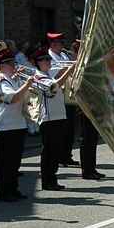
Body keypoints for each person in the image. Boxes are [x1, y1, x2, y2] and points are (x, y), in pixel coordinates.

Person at [0, 48, 32, 201]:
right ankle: (5, 192)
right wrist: (27, 84)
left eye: (13, 62)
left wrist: (20, 80)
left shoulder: (10, 78)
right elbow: (13, 98)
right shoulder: (1, 80)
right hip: (7, 126)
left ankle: (13, 189)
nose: (14, 65)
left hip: (17, 124)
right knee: (6, 162)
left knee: (14, 162)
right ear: (2, 65)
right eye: (11, 63)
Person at [30, 47, 69, 190]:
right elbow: (54, 87)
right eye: (43, 60)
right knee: (49, 151)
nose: (48, 62)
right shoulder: (39, 76)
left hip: (58, 116)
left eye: (48, 59)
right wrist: (70, 70)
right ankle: (48, 180)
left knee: (56, 150)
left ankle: (52, 178)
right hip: (48, 118)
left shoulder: (47, 74)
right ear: (37, 63)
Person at [47, 32, 79, 167]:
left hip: (68, 94)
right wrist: (69, 68)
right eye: (60, 43)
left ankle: (67, 155)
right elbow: (56, 74)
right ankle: (60, 156)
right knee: (62, 128)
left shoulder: (64, 55)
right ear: (53, 44)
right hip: (57, 97)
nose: (62, 45)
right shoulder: (48, 57)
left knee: (70, 127)